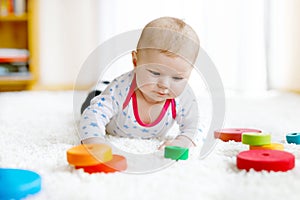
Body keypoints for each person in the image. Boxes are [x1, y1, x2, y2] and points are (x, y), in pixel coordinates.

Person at [80, 16, 202, 149]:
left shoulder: (181, 98)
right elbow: (93, 114)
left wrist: (184, 141)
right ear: (135, 61)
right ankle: (99, 86)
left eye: (177, 78)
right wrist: (95, 140)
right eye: (155, 73)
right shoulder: (120, 89)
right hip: (107, 97)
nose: (164, 85)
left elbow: (197, 125)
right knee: (89, 104)